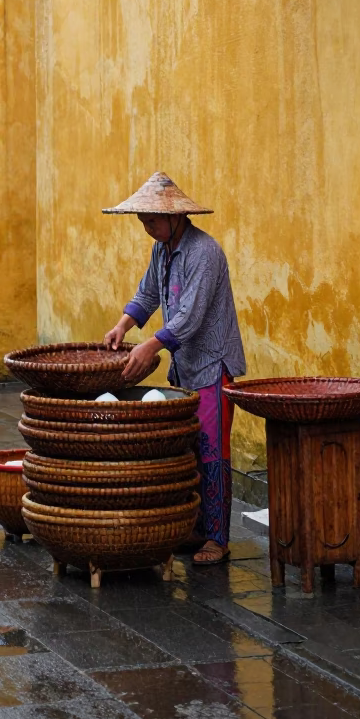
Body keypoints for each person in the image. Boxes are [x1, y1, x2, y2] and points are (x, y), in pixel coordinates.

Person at [103, 171, 246, 565]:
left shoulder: (205, 252)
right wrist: (123, 325)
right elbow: (148, 293)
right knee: (190, 451)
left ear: (176, 217)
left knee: (213, 451)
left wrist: (152, 345)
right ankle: (197, 529)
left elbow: (192, 316)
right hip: (185, 367)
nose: (147, 228)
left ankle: (217, 538)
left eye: (152, 221)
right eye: (143, 222)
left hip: (213, 366)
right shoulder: (162, 250)